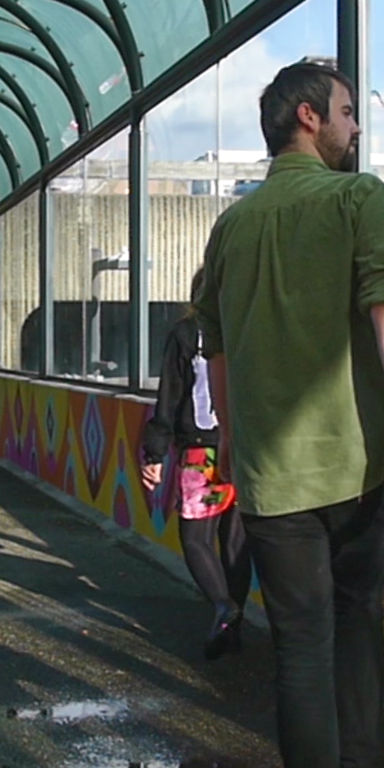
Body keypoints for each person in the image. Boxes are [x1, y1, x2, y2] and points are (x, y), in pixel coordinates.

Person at [193, 60, 384, 768]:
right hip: (361, 463)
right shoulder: (359, 199)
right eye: (346, 111)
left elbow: (217, 349)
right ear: (309, 117)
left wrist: (232, 440)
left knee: (300, 650)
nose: (355, 126)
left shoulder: (232, 227)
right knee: (359, 620)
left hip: (272, 476)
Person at [140, 267, 252, 660]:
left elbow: (169, 397)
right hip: (246, 450)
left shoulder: (187, 333)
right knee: (235, 543)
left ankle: (223, 607)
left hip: (202, 452)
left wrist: (154, 452)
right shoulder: (249, 329)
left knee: (195, 539)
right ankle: (234, 632)